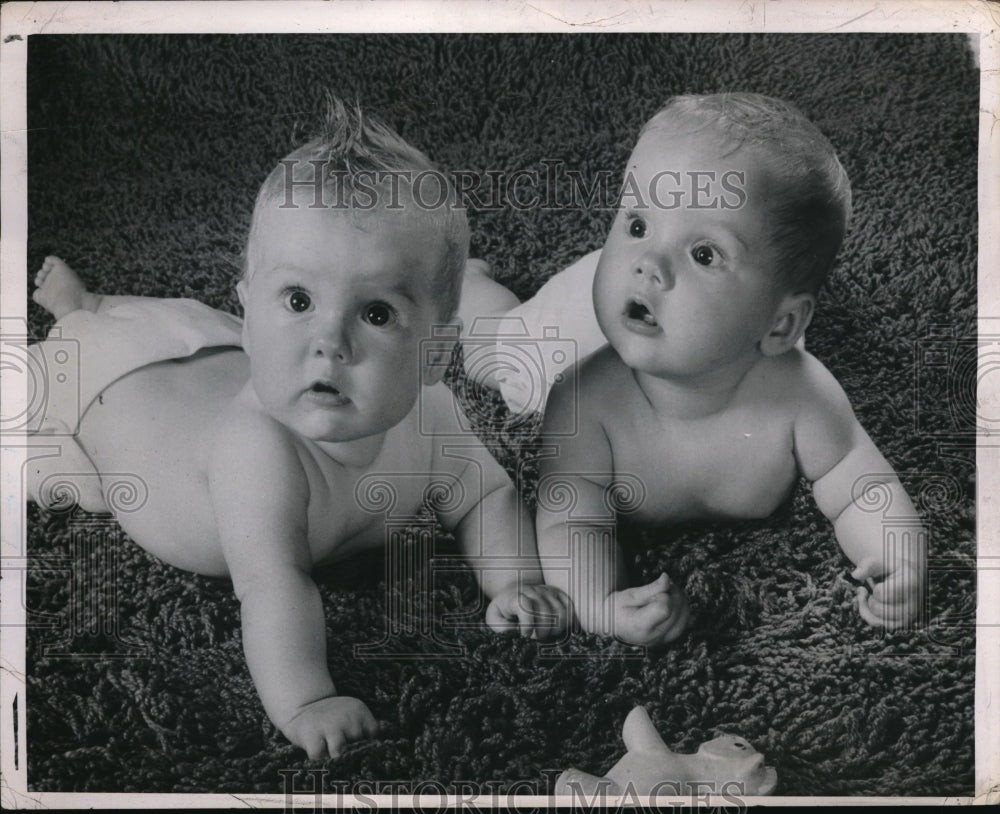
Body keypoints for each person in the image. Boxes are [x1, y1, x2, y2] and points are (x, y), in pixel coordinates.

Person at [26, 101, 569, 758]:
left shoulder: (434, 416)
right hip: (114, 390)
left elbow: (486, 495)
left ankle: (110, 309)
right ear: (250, 309)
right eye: (299, 301)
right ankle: (79, 309)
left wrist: (514, 582)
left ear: (435, 349)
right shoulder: (258, 449)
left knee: (198, 338)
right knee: (84, 352)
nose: (329, 342)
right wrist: (307, 699)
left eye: (375, 311)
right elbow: (272, 582)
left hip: (218, 355)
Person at [475, 93, 927, 647]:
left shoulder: (801, 394)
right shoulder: (582, 401)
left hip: (702, 327)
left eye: (705, 254)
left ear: (782, 326)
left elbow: (864, 488)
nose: (650, 262)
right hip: (568, 332)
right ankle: (474, 287)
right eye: (636, 222)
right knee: (495, 343)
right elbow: (572, 523)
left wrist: (898, 559)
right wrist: (599, 605)